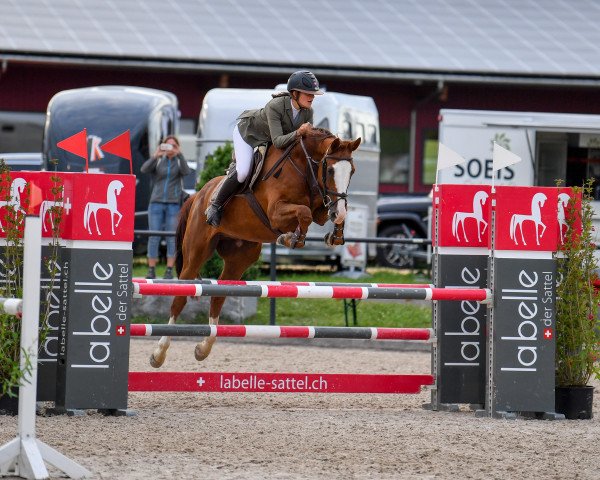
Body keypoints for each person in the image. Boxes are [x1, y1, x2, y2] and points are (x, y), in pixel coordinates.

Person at [205, 70, 324, 226]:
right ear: (294, 93)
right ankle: (215, 205)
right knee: (242, 173)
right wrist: (299, 132)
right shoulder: (275, 106)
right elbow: (279, 142)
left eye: (313, 94)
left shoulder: (308, 111)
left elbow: (304, 142)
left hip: (269, 138)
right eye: (308, 93)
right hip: (248, 134)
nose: (312, 97)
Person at [141, 135, 190, 279]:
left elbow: (187, 172)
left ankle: (169, 269)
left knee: (171, 237)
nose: (170, 148)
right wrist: (156, 155)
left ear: (177, 147)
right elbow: (144, 169)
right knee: (154, 236)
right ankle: (151, 269)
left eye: (173, 145)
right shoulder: (159, 160)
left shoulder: (178, 161)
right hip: (156, 202)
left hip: (173, 204)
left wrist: (179, 154)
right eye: (167, 145)